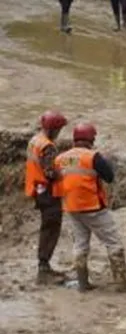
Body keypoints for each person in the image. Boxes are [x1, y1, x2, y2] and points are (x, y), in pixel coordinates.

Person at [56, 122, 126, 293]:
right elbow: (109, 177)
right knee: (114, 243)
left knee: (80, 245)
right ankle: (121, 282)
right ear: (91, 139)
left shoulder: (60, 158)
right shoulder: (93, 157)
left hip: (71, 208)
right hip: (93, 207)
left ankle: (82, 282)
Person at [26, 110, 67, 285]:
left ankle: (44, 266)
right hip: (49, 192)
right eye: (58, 129)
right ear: (53, 129)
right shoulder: (48, 146)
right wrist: (65, 172)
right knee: (51, 229)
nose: (59, 133)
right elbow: (51, 172)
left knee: (47, 227)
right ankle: (44, 269)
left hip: (37, 189)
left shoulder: (35, 140)